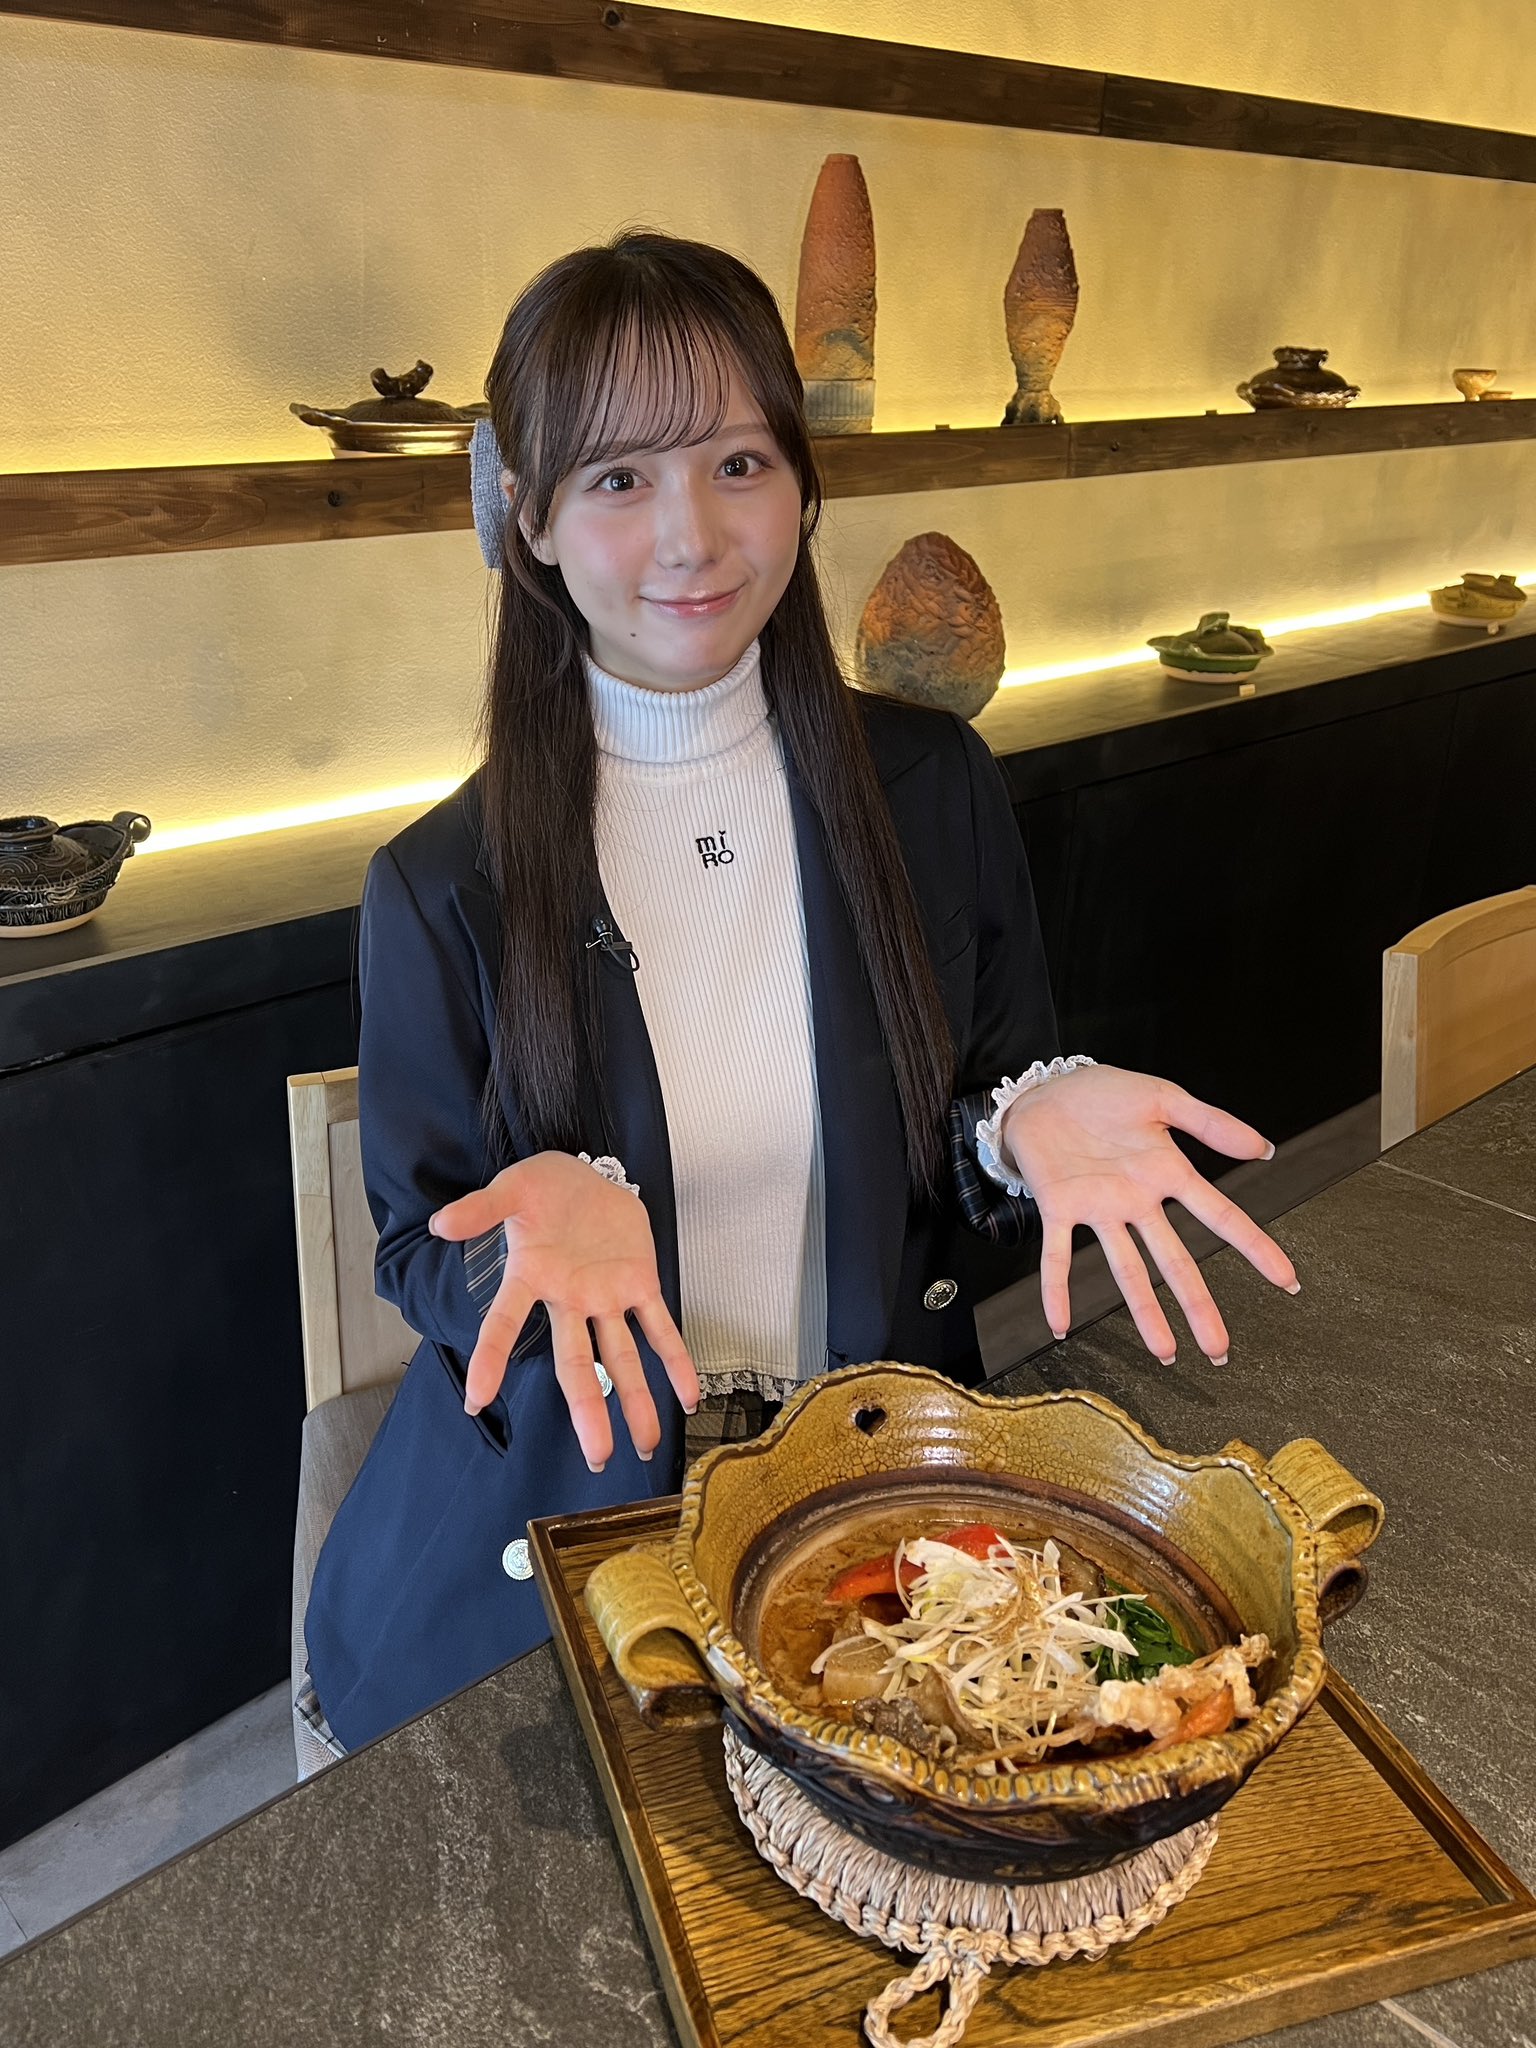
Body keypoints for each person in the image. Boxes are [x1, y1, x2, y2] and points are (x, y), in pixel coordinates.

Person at [300, 230, 1298, 1759]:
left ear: (804, 486)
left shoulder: (930, 785)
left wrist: (1022, 1128)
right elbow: (414, 1247)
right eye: (618, 478)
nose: (692, 535)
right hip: (575, 1515)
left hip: (875, 1498)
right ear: (529, 517)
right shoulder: (442, 883)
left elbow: (963, 1172)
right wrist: (525, 1238)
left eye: (738, 463)